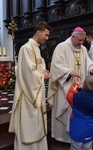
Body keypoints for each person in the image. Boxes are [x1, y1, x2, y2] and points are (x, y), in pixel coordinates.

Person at [47, 27, 93, 143]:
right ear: (72, 36)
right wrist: (69, 72)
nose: (81, 43)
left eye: (83, 40)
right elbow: (56, 66)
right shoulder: (61, 47)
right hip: (65, 86)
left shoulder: (83, 49)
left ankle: (75, 136)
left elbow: (88, 62)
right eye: (79, 40)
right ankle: (63, 136)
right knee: (65, 110)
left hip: (80, 87)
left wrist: (91, 68)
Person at [9, 21, 52, 150]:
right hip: (28, 96)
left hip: (36, 93)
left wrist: (43, 73)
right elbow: (27, 74)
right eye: (46, 34)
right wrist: (42, 76)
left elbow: (36, 69)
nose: (47, 38)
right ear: (38, 32)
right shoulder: (26, 48)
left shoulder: (37, 49)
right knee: (29, 127)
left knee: (37, 126)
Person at [66, 76, 93, 150]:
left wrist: (75, 84)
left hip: (77, 131)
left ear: (83, 86)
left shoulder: (77, 97)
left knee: (76, 147)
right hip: (90, 131)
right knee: (88, 147)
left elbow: (68, 96)